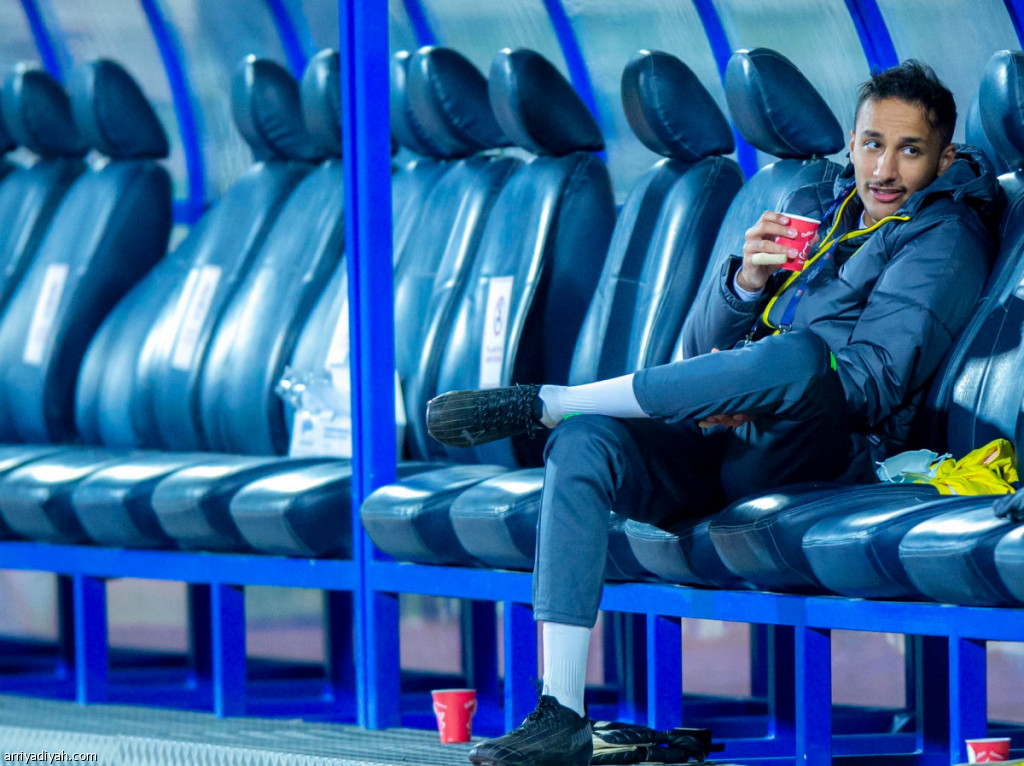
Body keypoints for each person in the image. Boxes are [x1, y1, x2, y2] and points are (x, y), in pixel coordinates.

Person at [427, 60, 999, 766]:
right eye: (872, 144)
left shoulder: (945, 236)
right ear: (852, 142)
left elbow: (872, 384)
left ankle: (552, 400)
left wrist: (753, 388)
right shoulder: (815, 203)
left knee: (797, 357)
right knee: (583, 444)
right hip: (726, 435)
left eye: (910, 150)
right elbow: (696, 351)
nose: (884, 169)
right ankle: (561, 712)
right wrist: (745, 282)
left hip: (826, 447)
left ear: (942, 158)